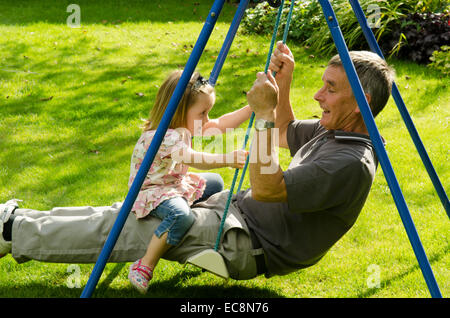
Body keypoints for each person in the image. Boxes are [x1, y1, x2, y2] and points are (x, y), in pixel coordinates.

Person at [0, 42, 395, 282]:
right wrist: (283, 82)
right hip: (236, 212)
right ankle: (19, 220)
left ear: (361, 103)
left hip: (244, 241)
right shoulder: (336, 130)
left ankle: (11, 233)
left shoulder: (349, 162)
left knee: (117, 231)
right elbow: (284, 131)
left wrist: (260, 115)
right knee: (124, 212)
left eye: (330, 88)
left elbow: (267, 186)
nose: (318, 96)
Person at [126, 70, 249, 293]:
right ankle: (145, 265)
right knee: (180, 215)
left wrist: (252, 107)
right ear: (180, 110)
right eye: (203, 113)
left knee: (215, 183)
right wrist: (226, 159)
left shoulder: (182, 126)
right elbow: (193, 159)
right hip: (153, 191)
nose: (207, 119)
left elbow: (220, 124)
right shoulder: (164, 136)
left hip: (172, 185)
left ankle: (199, 227)